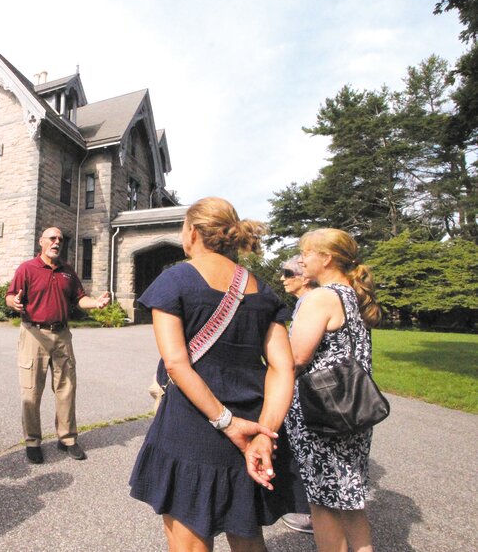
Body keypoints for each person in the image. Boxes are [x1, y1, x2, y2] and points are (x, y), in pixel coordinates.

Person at [129, 197, 306, 552]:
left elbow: (177, 364)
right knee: (247, 533)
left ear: (192, 232)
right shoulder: (261, 287)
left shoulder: (175, 280)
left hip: (192, 427)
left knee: (188, 539)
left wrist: (226, 422)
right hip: (255, 424)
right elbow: (283, 366)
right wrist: (264, 434)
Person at [285, 228, 382, 552]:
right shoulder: (350, 295)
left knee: (324, 502)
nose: (302, 259)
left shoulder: (322, 297)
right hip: (353, 405)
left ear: (326, 258)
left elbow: (297, 356)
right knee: (351, 498)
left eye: (307, 253)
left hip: (321, 412)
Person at [5, 226, 111, 464]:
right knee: (31, 391)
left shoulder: (67, 272)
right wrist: (15, 303)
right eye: (52, 238)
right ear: (41, 242)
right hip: (33, 334)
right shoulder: (27, 268)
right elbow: (10, 295)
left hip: (62, 335)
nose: (56, 242)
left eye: (60, 240)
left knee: (66, 388)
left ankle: (67, 439)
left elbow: (79, 298)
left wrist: (96, 303)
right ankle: (32, 441)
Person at [278, 254, 318, 535]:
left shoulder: (312, 304)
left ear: (305, 277)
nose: (282, 278)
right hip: (313, 392)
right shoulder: (306, 304)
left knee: (306, 449)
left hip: (311, 394)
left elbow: (298, 357)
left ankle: (310, 511)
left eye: (288, 273)